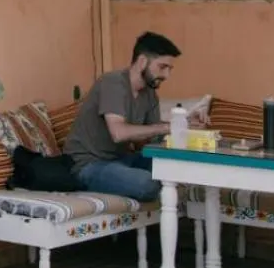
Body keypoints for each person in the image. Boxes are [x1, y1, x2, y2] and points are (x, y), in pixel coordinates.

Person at [63, 31, 204, 201]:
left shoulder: (149, 93)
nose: (167, 75)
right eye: (162, 67)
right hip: (88, 164)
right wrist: (168, 126)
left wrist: (185, 123)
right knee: (146, 183)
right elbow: (118, 133)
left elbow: (152, 139)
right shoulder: (113, 83)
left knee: (180, 169)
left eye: (170, 69)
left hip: (123, 160)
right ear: (142, 61)